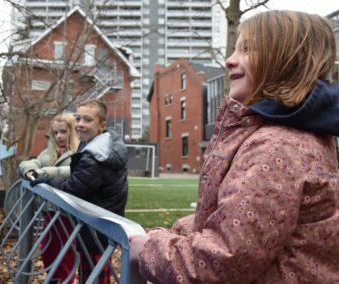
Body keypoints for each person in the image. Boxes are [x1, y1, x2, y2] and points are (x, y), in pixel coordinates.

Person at [129, 10, 339, 283]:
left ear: (285, 62)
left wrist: (147, 250)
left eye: (248, 50)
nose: (230, 60)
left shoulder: (279, 147)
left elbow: (223, 261)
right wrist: (180, 230)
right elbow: (246, 221)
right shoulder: (280, 136)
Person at [31, 99, 129, 284]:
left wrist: (48, 181)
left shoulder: (96, 154)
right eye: (78, 119)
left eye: (87, 120)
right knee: (93, 270)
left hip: (97, 223)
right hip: (99, 220)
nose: (80, 124)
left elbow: (75, 188)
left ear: (102, 125)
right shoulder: (100, 144)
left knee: (94, 273)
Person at [18, 112, 79, 283]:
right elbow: (31, 163)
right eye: (55, 132)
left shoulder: (79, 152)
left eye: (63, 131)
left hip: (68, 214)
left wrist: (43, 173)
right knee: (48, 253)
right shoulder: (49, 152)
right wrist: (29, 171)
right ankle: (52, 280)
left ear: (72, 132)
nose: (59, 136)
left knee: (65, 256)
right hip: (49, 212)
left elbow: (72, 172)